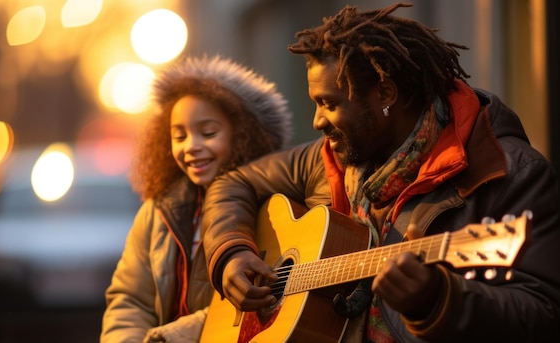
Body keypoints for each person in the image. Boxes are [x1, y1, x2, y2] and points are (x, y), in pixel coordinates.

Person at [201, 3, 560, 342]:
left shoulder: (508, 173)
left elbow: (543, 315)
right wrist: (232, 252)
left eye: (329, 104)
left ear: (385, 94)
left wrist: (439, 301)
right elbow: (234, 183)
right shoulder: (334, 156)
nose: (317, 121)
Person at [100, 55, 293, 342]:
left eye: (208, 133)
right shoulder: (158, 210)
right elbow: (130, 299)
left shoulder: (273, 209)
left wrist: (169, 337)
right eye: (179, 136)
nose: (191, 146)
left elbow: (246, 307)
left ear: (243, 134)